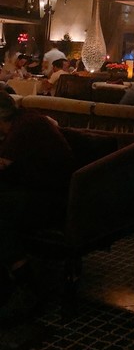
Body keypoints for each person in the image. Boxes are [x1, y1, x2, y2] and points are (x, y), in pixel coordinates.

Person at [0, 90, 74, 323]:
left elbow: (3, 164)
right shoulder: (24, 121)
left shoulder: (24, 128)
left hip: (58, 200)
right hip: (40, 191)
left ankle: (27, 286)